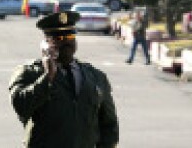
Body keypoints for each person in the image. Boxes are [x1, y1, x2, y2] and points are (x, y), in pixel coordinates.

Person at [9, 11, 119, 147]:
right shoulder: (29, 73)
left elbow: (109, 124)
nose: (66, 41)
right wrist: (48, 77)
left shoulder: (96, 76)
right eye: (59, 38)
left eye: (70, 35)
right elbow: (21, 107)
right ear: (46, 43)